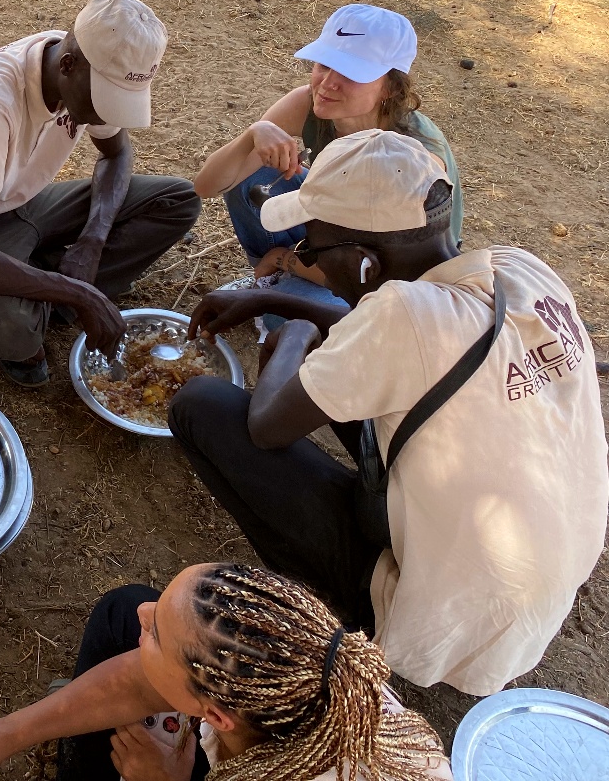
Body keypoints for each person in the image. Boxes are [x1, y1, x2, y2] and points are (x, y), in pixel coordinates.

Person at [170, 129, 606, 696]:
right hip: (525, 608)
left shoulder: (402, 315)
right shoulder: (521, 269)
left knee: (202, 405)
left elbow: (267, 424)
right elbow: (403, 345)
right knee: (336, 371)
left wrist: (297, 332)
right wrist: (272, 299)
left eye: (313, 252)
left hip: (437, 621)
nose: (305, 261)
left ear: (366, 265)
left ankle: (337, 613)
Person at [0, 0, 199, 386]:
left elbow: (116, 155)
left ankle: (40, 281)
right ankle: (48, 290)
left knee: (178, 200)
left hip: (22, 200)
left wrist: (92, 240)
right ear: (68, 65)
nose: (108, 115)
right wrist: (79, 294)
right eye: (104, 100)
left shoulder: (74, 62)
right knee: (16, 332)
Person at [0, 563, 452, 781]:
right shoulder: (314, 672)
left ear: (216, 715)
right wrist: (7, 732)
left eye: (156, 633)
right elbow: (136, 677)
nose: (145, 617)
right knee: (120, 608)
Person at [192, 4, 460, 318]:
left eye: (351, 73)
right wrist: (252, 134)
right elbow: (206, 186)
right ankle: (278, 284)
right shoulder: (308, 103)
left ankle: (281, 282)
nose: (328, 83)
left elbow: (388, 274)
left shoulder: (411, 159)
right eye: (324, 64)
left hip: (394, 279)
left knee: (291, 321)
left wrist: (284, 258)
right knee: (253, 173)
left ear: (390, 87)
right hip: (340, 236)